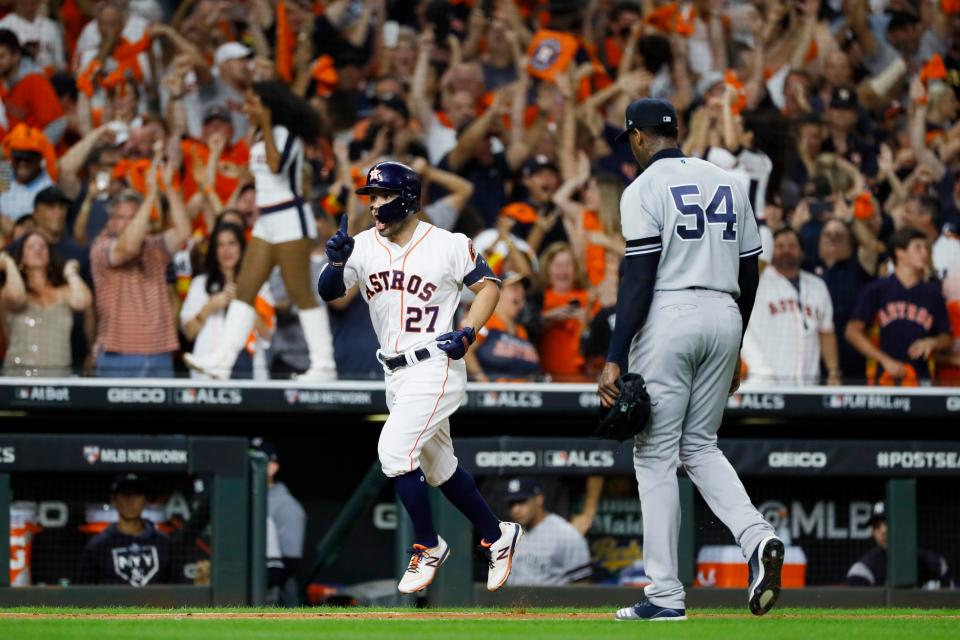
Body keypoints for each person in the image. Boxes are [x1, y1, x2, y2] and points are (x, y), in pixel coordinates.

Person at [597, 98, 782, 621]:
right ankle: (756, 537)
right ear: (675, 131)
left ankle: (664, 595)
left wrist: (614, 356)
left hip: (670, 311)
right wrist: (737, 343)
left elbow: (638, 277)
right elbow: (751, 272)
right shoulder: (727, 180)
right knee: (700, 445)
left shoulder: (643, 189)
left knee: (654, 454)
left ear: (637, 137)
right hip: (725, 311)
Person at [317, 160, 523, 594]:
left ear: (408, 199)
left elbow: (489, 286)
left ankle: (428, 545)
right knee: (439, 467)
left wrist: (469, 330)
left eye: (383, 196)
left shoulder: (448, 244)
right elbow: (330, 294)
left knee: (393, 451)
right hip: (395, 373)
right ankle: (496, 533)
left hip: (436, 364)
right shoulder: (362, 245)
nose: (374, 206)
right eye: (370, 197)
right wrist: (334, 264)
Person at [183, 81, 336, 381]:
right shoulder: (256, 135)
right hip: (267, 220)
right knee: (245, 289)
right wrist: (239, 173)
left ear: (268, 107)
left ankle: (324, 365)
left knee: (300, 292)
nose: (245, 108)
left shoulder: (286, 134)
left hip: (291, 217)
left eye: (252, 103)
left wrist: (267, 124)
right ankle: (222, 363)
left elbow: (277, 166)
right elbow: (264, 173)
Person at [91, 161, 191, 377]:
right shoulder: (102, 248)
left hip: (160, 352)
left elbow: (183, 233)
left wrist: (169, 189)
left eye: (133, 218)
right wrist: (149, 195)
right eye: (120, 218)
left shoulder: (154, 247)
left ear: (144, 221)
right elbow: (127, 247)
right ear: (110, 222)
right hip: (119, 354)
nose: (127, 224)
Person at [845, 228, 952, 386]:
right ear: (900, 253)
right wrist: (884, 359)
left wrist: (932, 342)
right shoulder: (877, 289)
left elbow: (947, 338)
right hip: (882, 375)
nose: (924, 253)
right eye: (918, 247)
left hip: (921, 377)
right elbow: (852, 332)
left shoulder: (933, 293)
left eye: (926, 248)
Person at [740, 228, 841, 386]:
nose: (786, 250)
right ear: (772, 250)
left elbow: (826, 331)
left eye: (792, 246)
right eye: (780, 246)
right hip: (764, 381)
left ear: (801, 251)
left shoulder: (818, 285)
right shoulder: (757, 280)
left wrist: (833, 371)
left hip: (808, 383)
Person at [180, 223, 273, 380]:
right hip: (207, 370)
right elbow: (188, 333)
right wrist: (209, 307)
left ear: (241, 247)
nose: (226, 250)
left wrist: (244, 301)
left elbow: (268, 333)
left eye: (232, 243)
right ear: (214, 251)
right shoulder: (200, 284)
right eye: (220, 245)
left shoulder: (259, 284)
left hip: (249, 366)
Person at [1, 234, 91, 376]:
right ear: (21, 256)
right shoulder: (10, 290)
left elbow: (83, 302)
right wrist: (9, 264)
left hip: (58, 376)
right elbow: (16, 297)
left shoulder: (64, 291)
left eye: (43, 246)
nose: (38, 250)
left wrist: (70, 272)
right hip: (19, 376)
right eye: (31, 247)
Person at [76, 473, 177, 586]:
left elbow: (178, 590)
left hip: (154, 603)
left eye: (137, 494)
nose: (131, 501)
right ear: (114, 500)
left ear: (145, 500)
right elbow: (84, 595)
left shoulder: (164, 544)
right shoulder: (98, 546)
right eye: (125, 494)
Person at [503, 478, 592, 587]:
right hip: (515, 602)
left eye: (522, 501)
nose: (515, 509)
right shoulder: (510, 535)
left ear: (539, 500)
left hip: (552, 602)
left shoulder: (566, 534)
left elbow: (582, 584)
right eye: (511, 504)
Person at [846, 502, 952, 589]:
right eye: (877, 526)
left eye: (888, 523)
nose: (884, 531)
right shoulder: (863, 569)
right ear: (873, 532)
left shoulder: (931, 562)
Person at [252, 438, 306, 607]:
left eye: (256, 461)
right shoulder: (239, 498)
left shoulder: (286, 505)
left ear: (272, 467)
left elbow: (290, 561)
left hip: (277, 592)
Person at [465, 271, 540, 382]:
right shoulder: (485, 320)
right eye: (514, 289)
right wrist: (482, 380)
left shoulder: (521, 331)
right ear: (497, 293)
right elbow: (466, 350)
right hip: (491, 395)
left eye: (522, 290)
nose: (521, 293)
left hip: (520, 395)